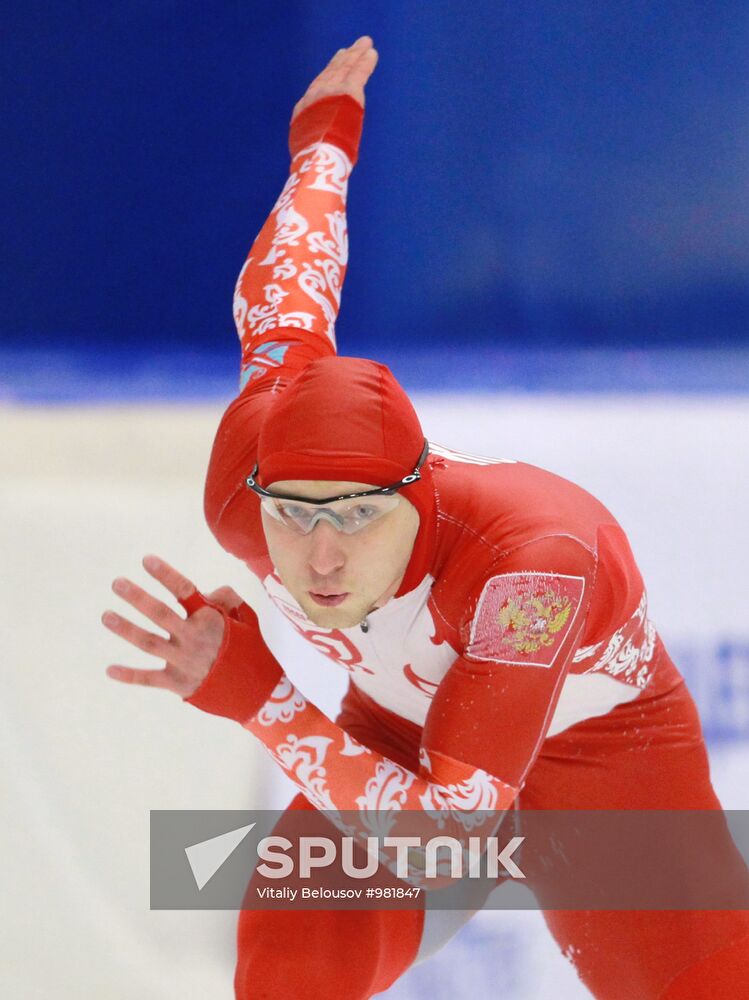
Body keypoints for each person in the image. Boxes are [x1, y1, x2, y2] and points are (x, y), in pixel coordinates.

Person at [103, 36, 749, 999]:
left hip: (598, 763)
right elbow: (285, 299)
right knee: (288, 969)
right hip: (403, 739)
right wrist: (323, 143)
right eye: (294, 517)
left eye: (358, 516)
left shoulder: (531, 564)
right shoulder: (250, 480)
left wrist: (262, 700)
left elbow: (451, 838)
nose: (318, 555)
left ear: (417, 495)